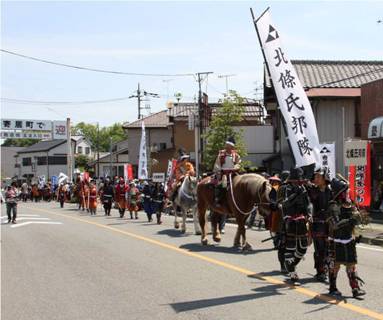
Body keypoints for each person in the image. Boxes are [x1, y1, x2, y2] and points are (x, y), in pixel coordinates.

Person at [327, 178, 365, 298]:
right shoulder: (333, 206)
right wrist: (350, 220)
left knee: (351, 265)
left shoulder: (351, 204)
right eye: (345, 191)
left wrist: (359, 218)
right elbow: (335, 225)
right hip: (336, 240)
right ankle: (332, 288)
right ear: (339, 192)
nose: (347, 193)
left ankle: (355, 288)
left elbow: (357, 220)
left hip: (349, 239)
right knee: (335, 266)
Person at [280, 167, 312, 284]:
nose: (297, 182)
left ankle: (291, 264)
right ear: (292, 180)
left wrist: (309, 213)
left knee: (303, 247)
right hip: (290, 220)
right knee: (291, 247)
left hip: (302, 220)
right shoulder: (286, 189)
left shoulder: (303, 188)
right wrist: (295, 195)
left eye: (299, 180)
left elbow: (308, 203)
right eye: (296, 180)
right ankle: (293, 274)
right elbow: (285, 204)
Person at [309, 167, 332, 282]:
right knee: (319, 249)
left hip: (330, 224)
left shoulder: (332, 191)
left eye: (319, 176)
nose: (316, 178)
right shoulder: (312, 190)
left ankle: (327, 270)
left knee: (329, 249)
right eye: (315, 176)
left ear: (325, 178)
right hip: (317, 224)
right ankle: (320, 271)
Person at [213, 136, 241, 206]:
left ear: (232, 147)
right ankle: (218, 199)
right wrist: (219, 171)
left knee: (241, 183)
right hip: (223, 173)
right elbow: (217, 164)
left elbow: (238, 164)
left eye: (230, 146)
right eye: (227, 146)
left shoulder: (236, 155)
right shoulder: (221, 154)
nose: (228, 147)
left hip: (233, 173)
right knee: (223, 184)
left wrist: (235, 168)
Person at [268, 175, 282, 249]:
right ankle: (276, 243)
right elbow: (270, 199)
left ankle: (278, 243)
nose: (274, 183)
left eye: (276, 182)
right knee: (272, 229)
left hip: (278, 211)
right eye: (273, 182)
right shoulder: (270, 189)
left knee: (276, 228)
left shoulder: (280, 189)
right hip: (272, 210)